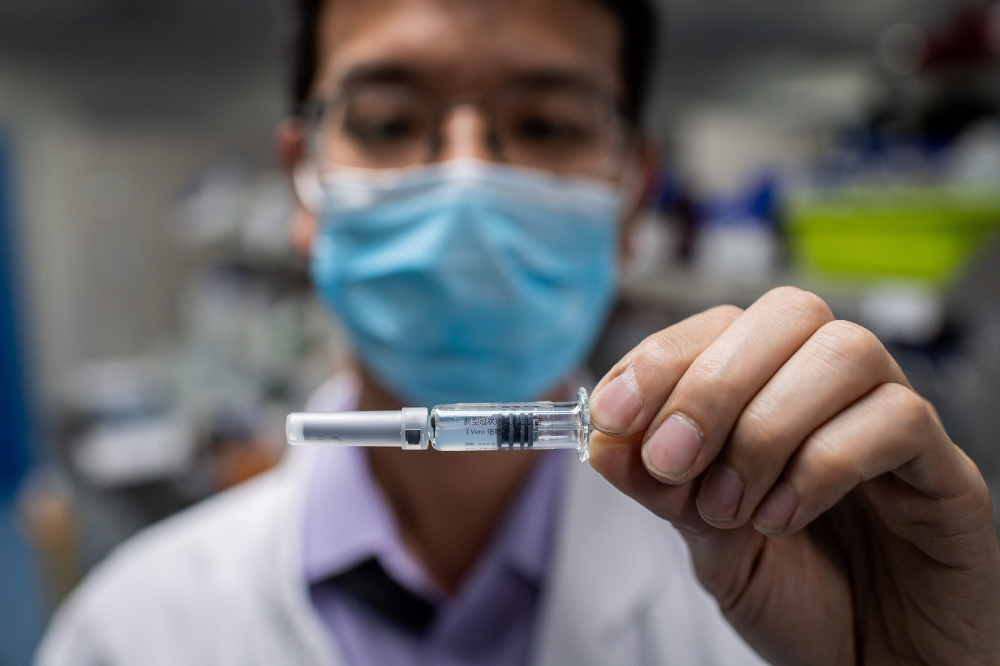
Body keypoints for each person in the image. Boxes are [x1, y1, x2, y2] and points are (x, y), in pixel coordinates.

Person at [36, 0, 1000, 663]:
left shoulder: (794, 605)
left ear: (632, 192)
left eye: (543, 124)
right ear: (303, 180)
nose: (465, 183)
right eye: (386, 120)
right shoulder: (130, 634)